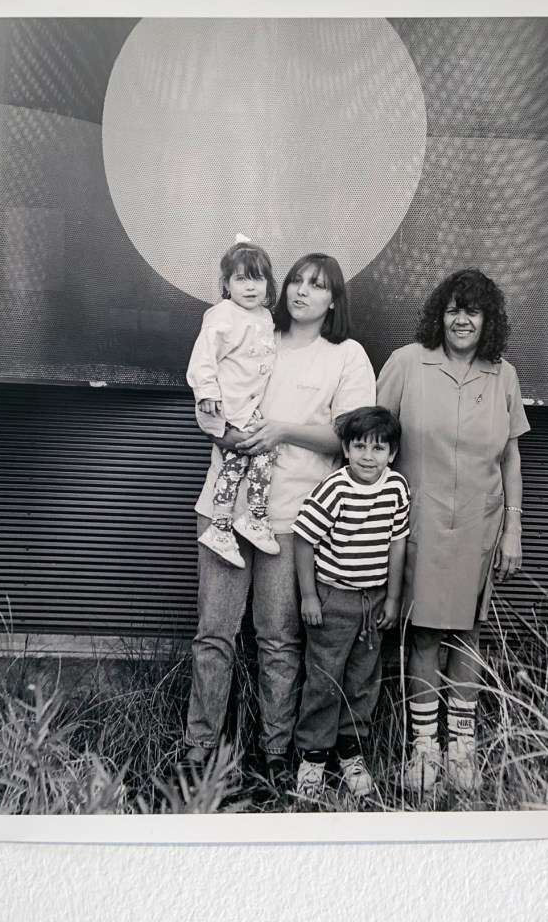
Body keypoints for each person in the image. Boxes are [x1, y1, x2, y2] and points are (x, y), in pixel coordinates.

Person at [183, 253, 376, 781]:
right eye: (296, 281)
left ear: (333, 299)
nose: (302, 292)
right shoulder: (256, 332)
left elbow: (351, 437)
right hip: (225, 507)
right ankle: (197, 753)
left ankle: (275, 754)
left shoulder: (346, 356)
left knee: (279, 638)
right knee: (214, 634)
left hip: (293, 518)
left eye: (317, 286)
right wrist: (219, 429)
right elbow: (210, 394)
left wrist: (283, 430)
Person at [376, 268, 530, 797]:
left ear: (487, 320)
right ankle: (424, 751)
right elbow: (374, 438)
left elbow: (511, 456)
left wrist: (513, 528)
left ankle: (461, 747)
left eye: (473, 311)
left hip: (480, 523)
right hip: (418, 520)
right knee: (423, 632)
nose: (461, 319)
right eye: (453, 309)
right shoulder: (407, 363)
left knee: (468, 631)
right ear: (439, 315)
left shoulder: (502, 374)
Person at [293, 406, 409, 799]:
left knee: (363, 679)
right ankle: (313, 756)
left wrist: (392, 597)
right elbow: (304, 538)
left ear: (391, 454)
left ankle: (351, 751)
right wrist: (309, 595)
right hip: (333, 598)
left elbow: (397, 543)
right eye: (359, 446)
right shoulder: (334, 488)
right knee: (325, 679)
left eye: (378, 449)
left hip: (373, 600)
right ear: (345, 448)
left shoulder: (396, 488)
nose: (367, 456)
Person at [186, 237, 280, 568]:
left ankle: (238, 522)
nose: (250, 287)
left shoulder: (265, 317)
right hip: (224, 407)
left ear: (268, 283)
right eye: (241, 279)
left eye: (257, 279)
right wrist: (207, 392)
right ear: (226, 284)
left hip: (246, 407)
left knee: (250, 459)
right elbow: (203, 358)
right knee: (247, 456)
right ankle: (234, 523)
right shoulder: (222, 314)